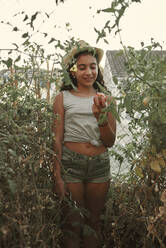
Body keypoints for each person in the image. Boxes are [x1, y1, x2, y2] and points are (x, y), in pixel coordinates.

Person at [52, 40, 116, 248]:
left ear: (98, 69)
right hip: (72, 164)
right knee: (73, 223)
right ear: (72, 71)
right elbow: (57, 139)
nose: (89, 72)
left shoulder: (106, 99)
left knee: (94, 223)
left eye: (93, 66)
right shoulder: (62, 98)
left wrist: (101, 117)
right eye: (82, 67)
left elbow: (110, 141)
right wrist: (57, 176)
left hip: (99, 164)